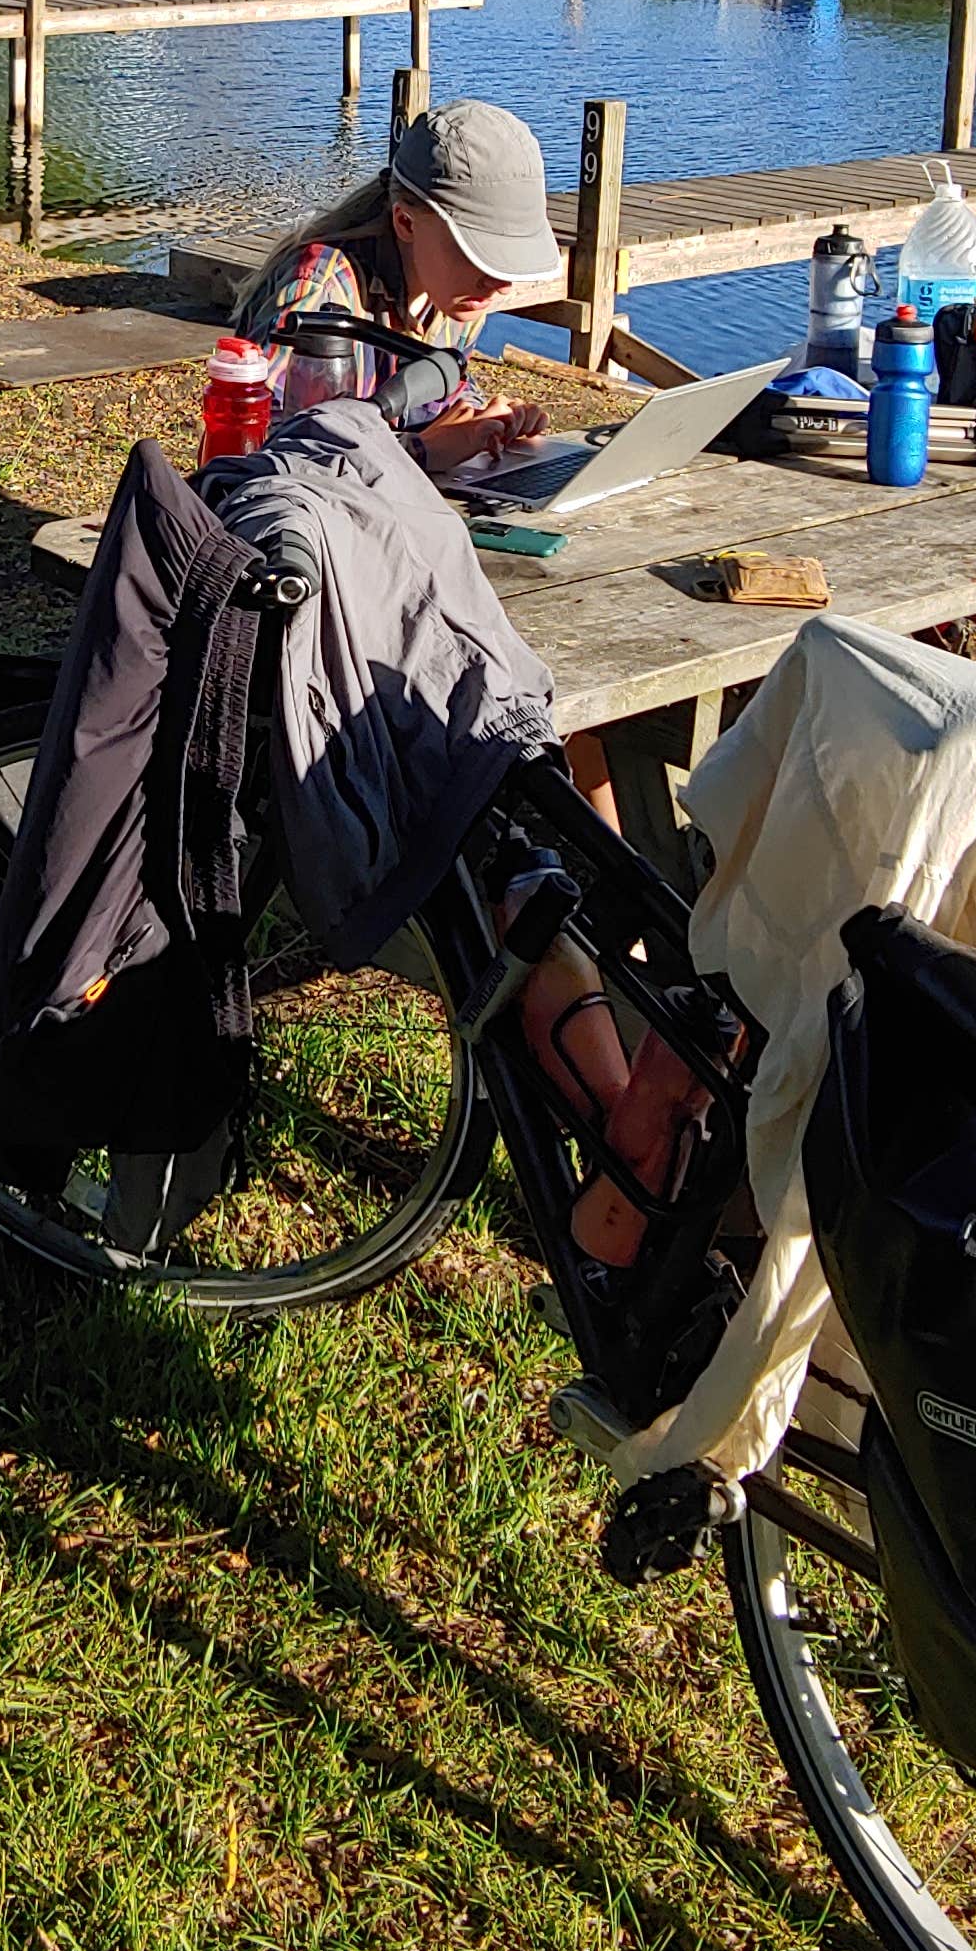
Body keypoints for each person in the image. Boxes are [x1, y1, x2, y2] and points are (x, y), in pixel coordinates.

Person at [235, 105, 691, 1255]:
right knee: (500, 791)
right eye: (482, 263)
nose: (493, 289)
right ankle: (629, 1134)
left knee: (559, 752)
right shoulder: (317, 291)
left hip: (412, 552)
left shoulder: (432, 298)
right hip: (323, 584)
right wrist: (433, 448)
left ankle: (617, 1039)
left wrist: (475, 432)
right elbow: (305, 468)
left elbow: (401, 441)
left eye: (510, 269)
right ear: (404, 219)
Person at [227, 99, 558, 478]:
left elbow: (442, 401)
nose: (501, 282)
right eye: (479, 253)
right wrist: (419, 452)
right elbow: (258, 455)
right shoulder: (320, 290)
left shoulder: (459, 295)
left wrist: (486, 423)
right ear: (406, 222)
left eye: (508, 258)